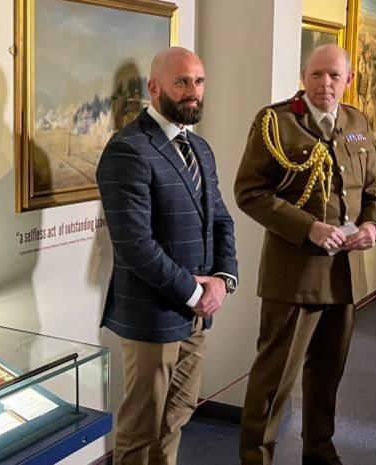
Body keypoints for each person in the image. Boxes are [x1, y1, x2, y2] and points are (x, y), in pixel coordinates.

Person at [235, 44, 376, 465]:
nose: (325, 84)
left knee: (327, 377)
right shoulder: (275, 122)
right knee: (273, 382)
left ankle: (319, 452)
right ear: (304, 75)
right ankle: (257, 457)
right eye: (316, 74)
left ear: (348, 80)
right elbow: (249, 193)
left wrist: (373, 226)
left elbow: (373, 190)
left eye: (334, 76)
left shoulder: (357, 121)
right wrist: (310, 228)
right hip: (294, 277)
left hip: (345, 277)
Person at [97, 47, 238, 465]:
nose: (193, 92)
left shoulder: (200, 148)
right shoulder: (128, 150)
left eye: (198, 81)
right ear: (154, 88)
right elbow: (135, 245)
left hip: (196, 312)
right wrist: (195, 293)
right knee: (142, 428)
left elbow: (221, 219)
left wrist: (223, 279)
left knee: (177, 417)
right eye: (182, 82)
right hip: (152, 315)